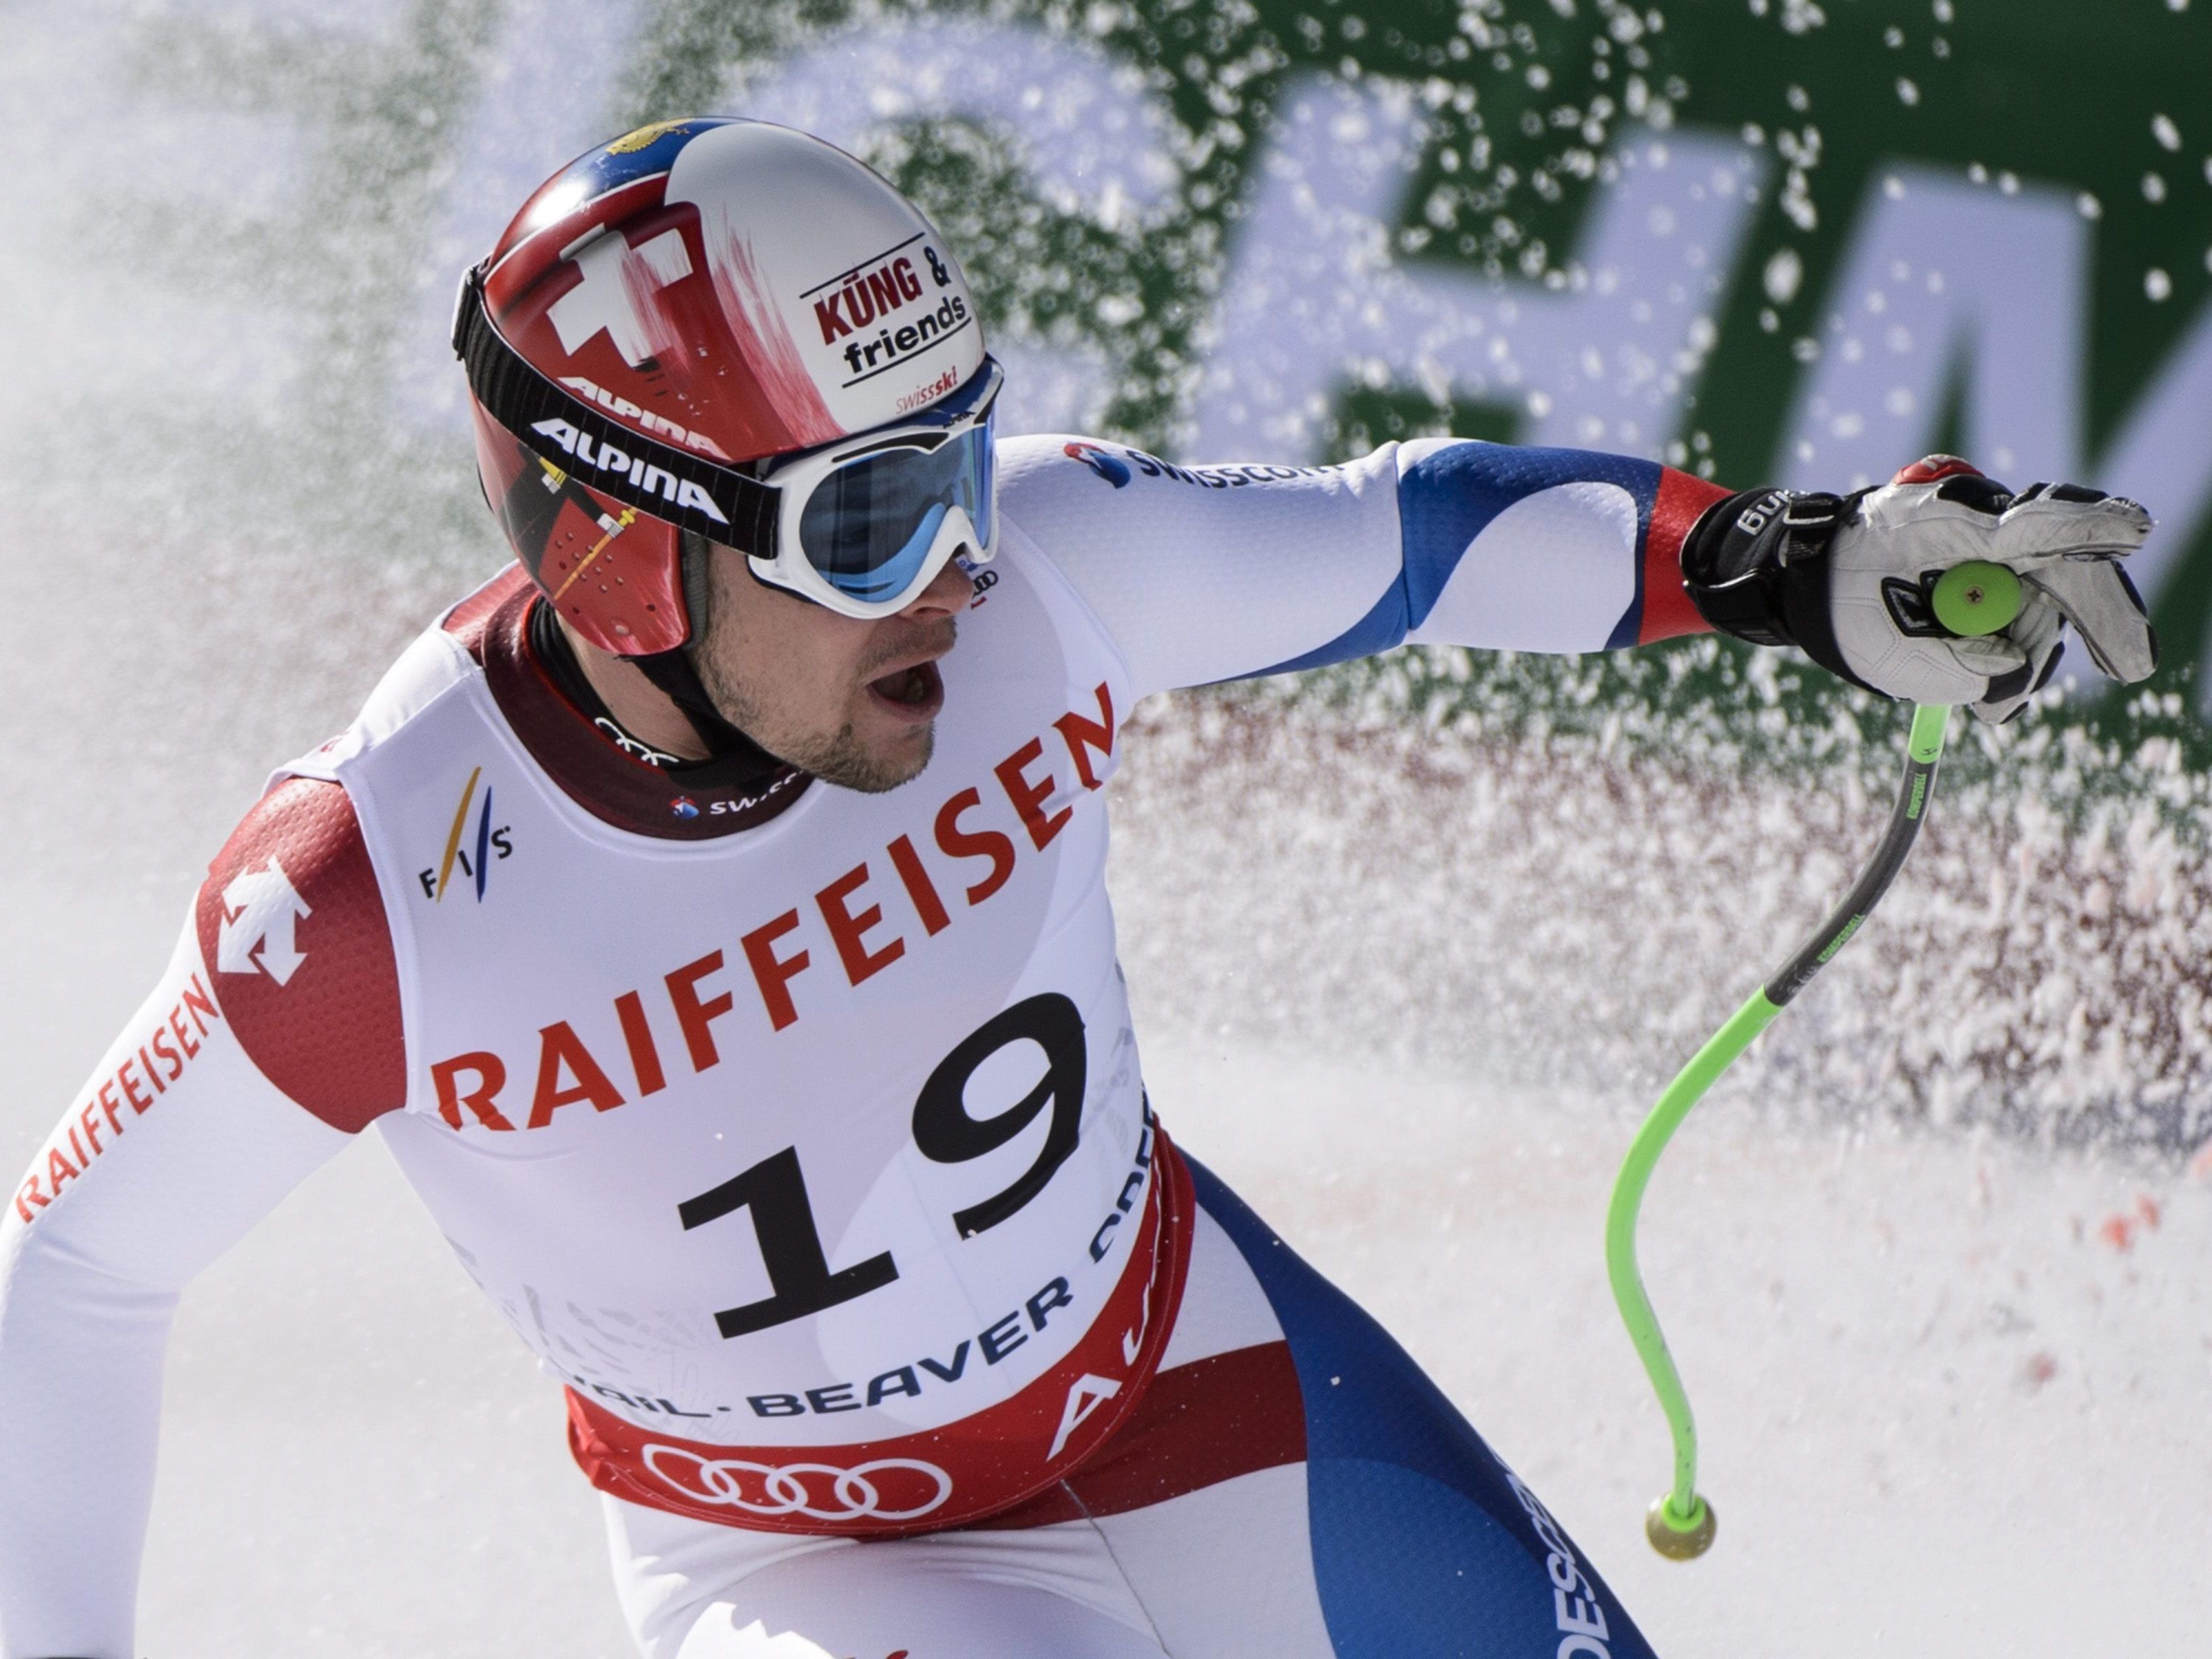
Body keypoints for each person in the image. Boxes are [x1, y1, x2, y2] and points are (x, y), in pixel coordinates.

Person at [0, 118, 2157, 1659]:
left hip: (1188, 1370)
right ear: (619, 558)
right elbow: (73, 1274)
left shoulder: (1045, 574)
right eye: (866, 526)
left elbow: (1406, 541)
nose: (953, 569)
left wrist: (1789, 564)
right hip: (804, 1571)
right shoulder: (367, 888)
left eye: (955, 473)